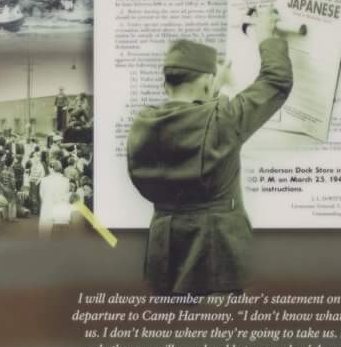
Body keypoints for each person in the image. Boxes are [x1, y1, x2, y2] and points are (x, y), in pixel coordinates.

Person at [126, 17, 294, 296]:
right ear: (206, 81)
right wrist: (266, 36)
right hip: (216, 257)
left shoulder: (142, 123)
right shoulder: (223, 120)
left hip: (165, 257)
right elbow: (276, 80)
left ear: (167, 83)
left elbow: (189, 121)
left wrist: (213, 90)